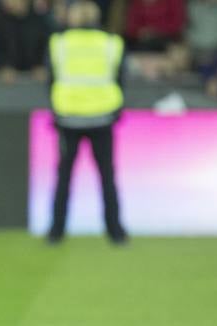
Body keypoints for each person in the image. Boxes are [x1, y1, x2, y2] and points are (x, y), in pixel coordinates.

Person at [46, 0, 128, 244]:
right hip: (102, 116)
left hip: (69, 117)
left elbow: (50, 80)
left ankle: (56, 233)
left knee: (64, 177)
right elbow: (120, 80)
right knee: (107, 176)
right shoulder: (111, 43)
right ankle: (115, 233)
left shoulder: (59, 43)